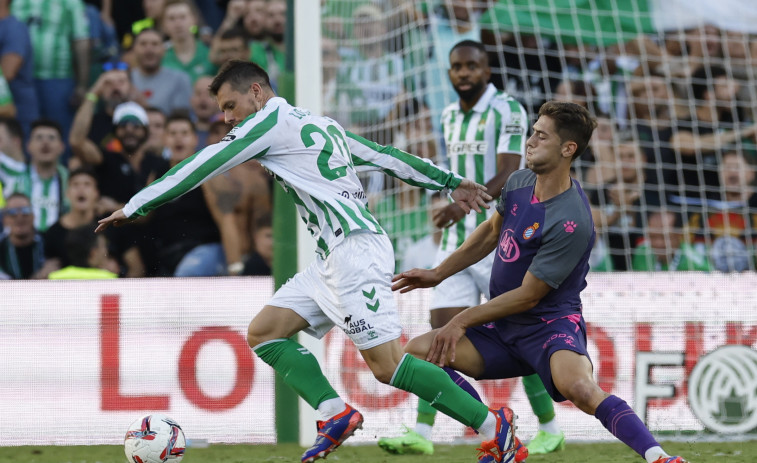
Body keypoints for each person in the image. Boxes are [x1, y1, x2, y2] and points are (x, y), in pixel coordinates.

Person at [97, 60, 520, 463]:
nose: (227, 118)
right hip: (331, 258)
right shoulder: (317, 123)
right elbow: (383, 155)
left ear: (257, 92)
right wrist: (448, 181)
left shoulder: (266, 124)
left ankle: (491, 424)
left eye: (230, 106)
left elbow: (206, 161)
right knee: (265, 332)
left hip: (354, 250)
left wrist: (137, 204)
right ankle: (335, 412)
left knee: (388, 366)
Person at [393, 101, 690, 463]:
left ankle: (660, 457)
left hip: (547, 326)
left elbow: (529, 297)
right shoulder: (518, 182)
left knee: (580, 389)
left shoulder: (572, 220)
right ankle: (495, 430)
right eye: (532, 131)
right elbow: (490, 233)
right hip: (501, 327)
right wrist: (438, 272)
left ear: (568, 149)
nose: (530, 141)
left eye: (541, 135)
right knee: (417, 355)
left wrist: (460, 320)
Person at [378, 40, 563, 458]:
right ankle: (424, 432)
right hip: (456, 244)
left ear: (487, 69)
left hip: (501, 237)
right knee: (441, 340)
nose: (463, 73)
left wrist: (461, 203)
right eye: (456, 67)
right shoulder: (447, 115)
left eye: (471, 66)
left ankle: (550, 427)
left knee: (516, 333)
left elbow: (509, 170)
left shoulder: (508, 110)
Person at [0, 119, 69, 233]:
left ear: (61, 147)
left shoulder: (71, 180)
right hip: (19, 243)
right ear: (28, 146)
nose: (45, 142)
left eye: (51, 138)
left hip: (60, 245)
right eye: (39, 138)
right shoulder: (13, 174)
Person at [129, 28, 193, 116]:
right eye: (143, 44)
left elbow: (181, 118)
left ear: (164, 50)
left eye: (155, 44)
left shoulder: (180, 79)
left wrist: (145, 107)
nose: (149, 50)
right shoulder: (125, 79)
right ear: (134, 50)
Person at [631, 209, 712, 272]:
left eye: (664, 237)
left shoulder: (694, 263)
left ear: (678, 235)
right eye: (652, 237)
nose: (658, 243)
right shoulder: (642, 252)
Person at [161, 0, 218, 84]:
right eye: (171, 18)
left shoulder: (210, 55)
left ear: (194, 19)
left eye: (183, 17)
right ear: (163, 25)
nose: (178, 23)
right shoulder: (160, 59)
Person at [0, 193, 49, 279]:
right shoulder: (2, 246)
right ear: (5, 219)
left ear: (33, 216)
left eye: (25, 211)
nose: (19, 217)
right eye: (12, 212)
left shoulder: (50, 243)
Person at [48, 225, 118, 280]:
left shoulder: (53, 278)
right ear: (93, 253)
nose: (106, 251)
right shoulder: (109, 280)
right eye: (103, 247)